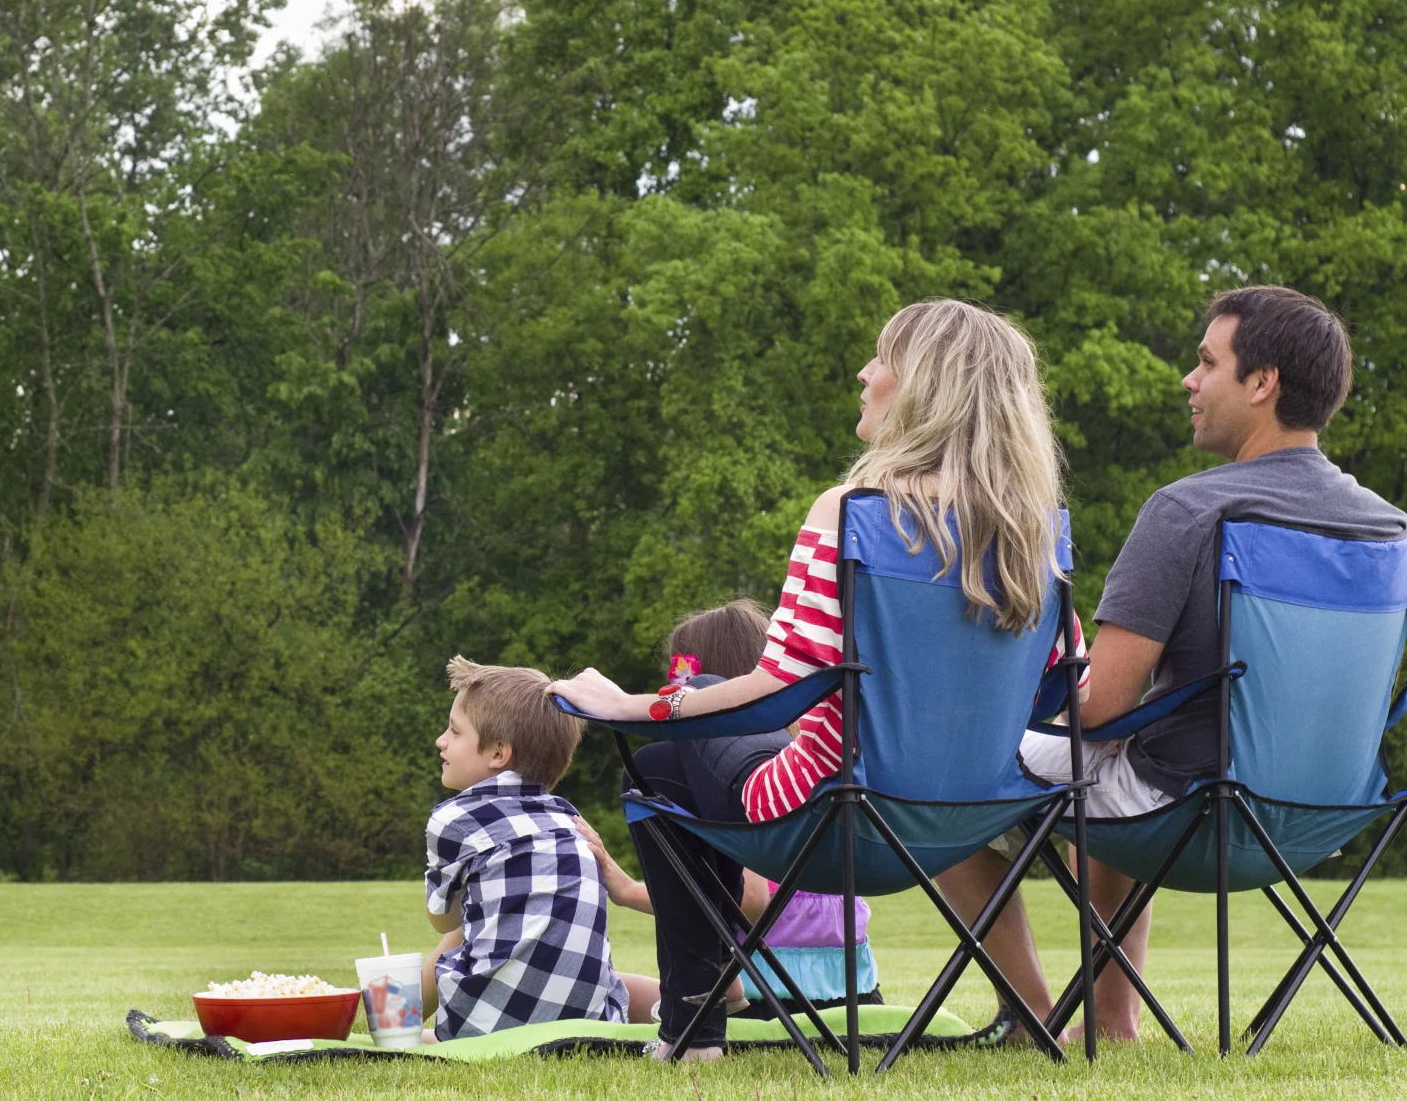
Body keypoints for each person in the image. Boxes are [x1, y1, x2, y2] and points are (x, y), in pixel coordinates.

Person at [550, 298, 1072, 1049]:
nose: (864, 373)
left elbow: (773, 691)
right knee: (665, 769)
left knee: (668, 745)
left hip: (825, 816)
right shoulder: (1036, 533)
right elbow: (1055, 687)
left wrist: (626, 704)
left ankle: (692, 1027)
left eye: (882, 358)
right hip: (965, 818)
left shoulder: (853, 513)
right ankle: (1031, 1016)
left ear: (926, 384)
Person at [944, 285, 1407, 1041]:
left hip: (1187, 813)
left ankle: (1034, 1017)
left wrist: (999, 697)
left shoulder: (1190, 510)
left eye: (1205, 363)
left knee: (953, 772)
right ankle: (1110, 1014)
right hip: (1325, 819)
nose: (1188, 382)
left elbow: (1098, 707)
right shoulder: (1389, 531)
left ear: (1262, 384)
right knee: (1114, 758)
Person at [575, 601, 882, 1032]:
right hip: (856, 996)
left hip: (765, 996)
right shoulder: (808, 759)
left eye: (679, 680)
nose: (672, 688)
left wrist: (626, 891)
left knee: (617, 994)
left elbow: (751, 899)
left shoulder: (741, 774)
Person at [419, 656, 645, 1043]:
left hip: (484, 1030)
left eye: (455, 732)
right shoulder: (568, 821)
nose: (441, 740)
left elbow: (444, 921)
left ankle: (401, 1017)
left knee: (406, 1033)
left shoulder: (454, 819)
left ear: (497, 754)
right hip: (589, 1030)